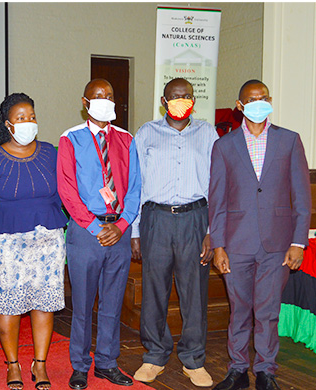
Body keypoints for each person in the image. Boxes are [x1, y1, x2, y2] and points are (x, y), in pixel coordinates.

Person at [209, 80, 310, 390]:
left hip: (277, 245)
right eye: (251, 99)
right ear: (240, 106)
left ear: (269, 100)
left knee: (267, 312)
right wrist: (218, 245)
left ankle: (266, 371)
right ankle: (237, 368)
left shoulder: (289, 141)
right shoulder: (224, 145)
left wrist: (298, 241)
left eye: (263, 97)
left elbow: (302, 196)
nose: (258, 102)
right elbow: (217, 198)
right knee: (239, 311)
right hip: (236, 244)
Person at [0, 93, 68, 390]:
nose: (28, 122)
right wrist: (8, 217)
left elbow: (62, 192)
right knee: (9, 306)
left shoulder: (51, 152)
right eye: (21, 118)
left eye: (32, 116)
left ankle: (40, 364)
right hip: (7, 245)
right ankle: (12, 365)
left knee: (45, 304)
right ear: (8, 124)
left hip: (48, 241)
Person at [130, 78, 217, 388]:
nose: (181, 100)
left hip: (195, 218)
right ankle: (154, 355)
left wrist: (212, 230)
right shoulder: (146, 133)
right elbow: (135, 184)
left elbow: (217, 183)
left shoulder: (207, 132)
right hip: (156, 218)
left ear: (193, 100)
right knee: (154, 291)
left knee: (194, 293)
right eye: (175, 96)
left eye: (187, 96)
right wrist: (135, 231)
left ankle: (193, 359)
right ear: (164, 102)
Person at [58, 79, 141, 389]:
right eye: (97, 96)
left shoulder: (126, 139)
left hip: (118, 231)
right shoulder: (71, 139)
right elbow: (67, 191)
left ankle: (107, 362)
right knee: (82, 304)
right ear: (85, 102)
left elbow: (134, 188)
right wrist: (95, 227)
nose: (104, 100)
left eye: (109, 95)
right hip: (85, 232)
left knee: (112, 302)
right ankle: (79, 365)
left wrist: (121, 227)